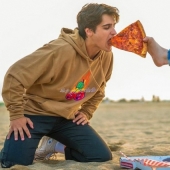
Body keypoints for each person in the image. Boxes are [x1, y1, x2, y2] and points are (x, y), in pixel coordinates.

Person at [0, 3, 119, 168]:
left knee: (100, 156)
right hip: (34, 115)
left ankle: (55, 145)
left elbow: (99, 89)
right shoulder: (59, 50)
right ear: (89, 31)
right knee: (13, 163)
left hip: (66, 118)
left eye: (114, 26)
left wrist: (86, 111)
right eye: (107, 27)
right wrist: (16, 115)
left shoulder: (107, 55)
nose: (114, 32)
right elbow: (14, 76)